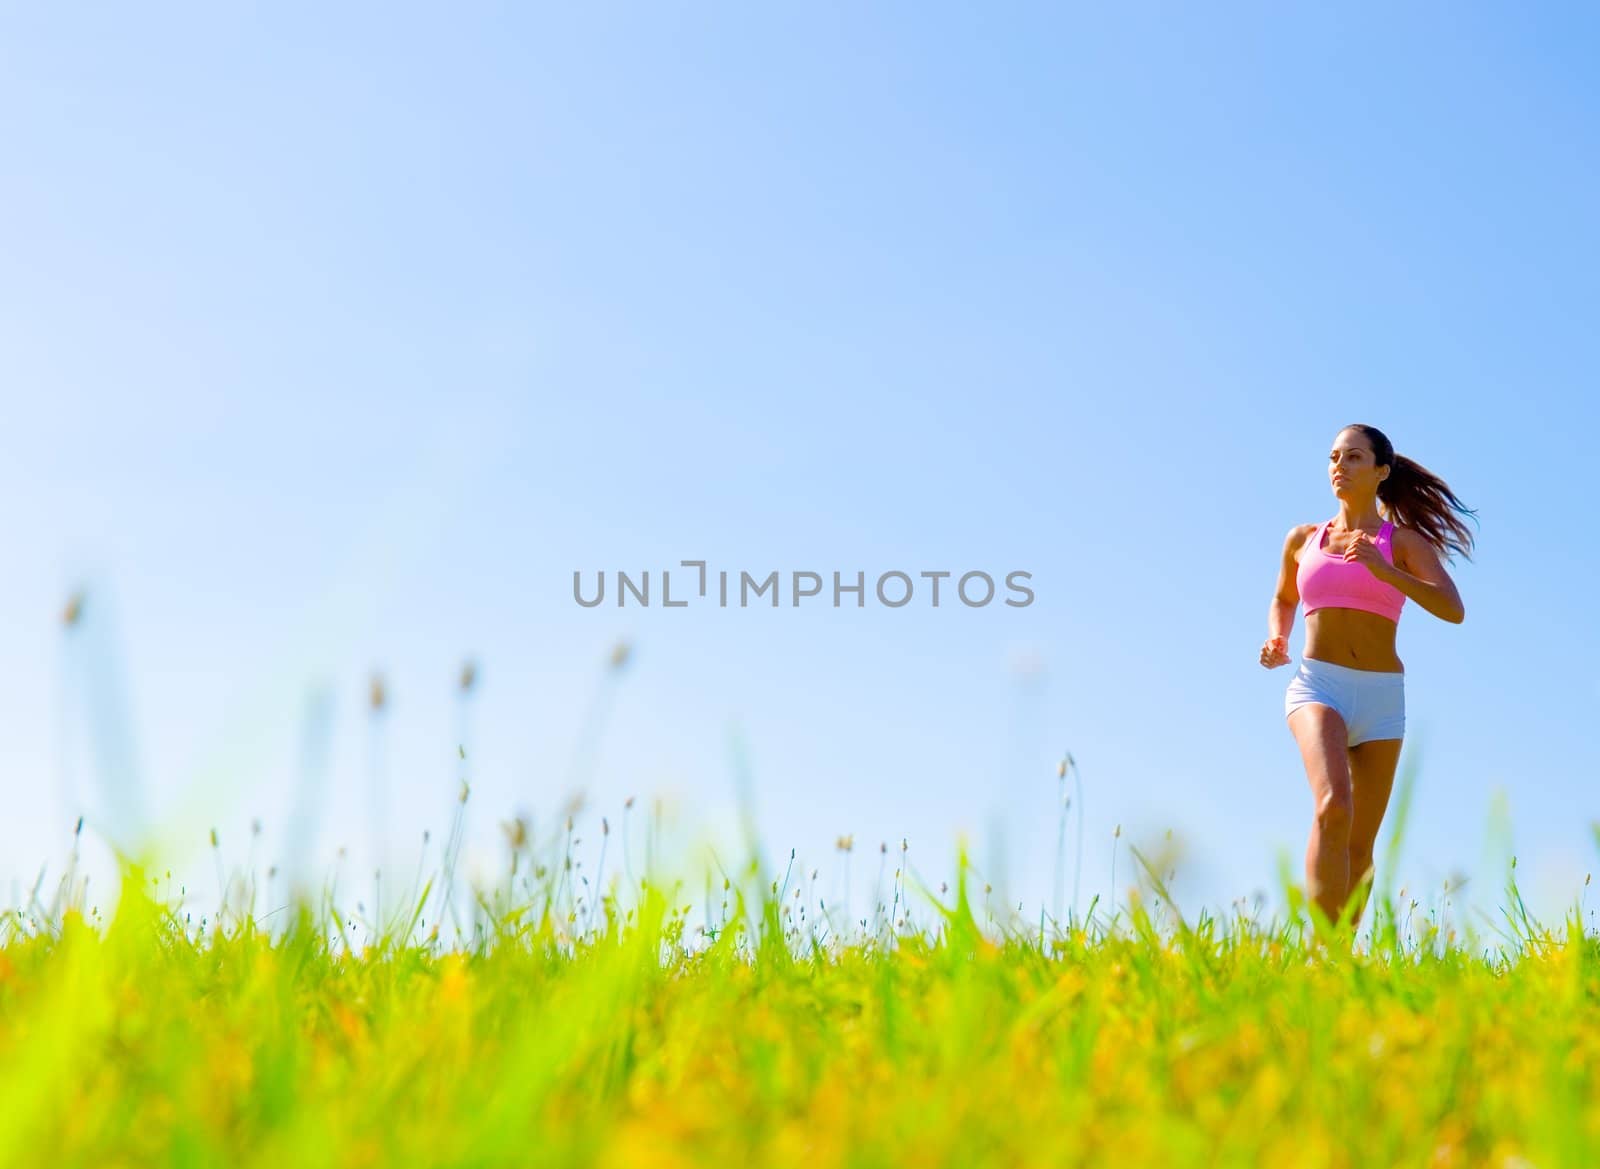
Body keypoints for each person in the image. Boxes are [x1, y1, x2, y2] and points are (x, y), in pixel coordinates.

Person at [1261, 424, 1476, 932]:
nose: (1340, 465)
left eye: (1354, 457)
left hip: (1381, 698)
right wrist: (1278, 637)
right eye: (1335, 456)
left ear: (1381, 471)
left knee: (1360, 848)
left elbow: (1453, 608)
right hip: (1318, 685)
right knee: (1334, 807)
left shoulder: (1400, 543)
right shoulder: (1303, 539)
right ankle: (1320, 952)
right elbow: (1284, 598)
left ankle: (1341, 959)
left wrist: (1386, 571)